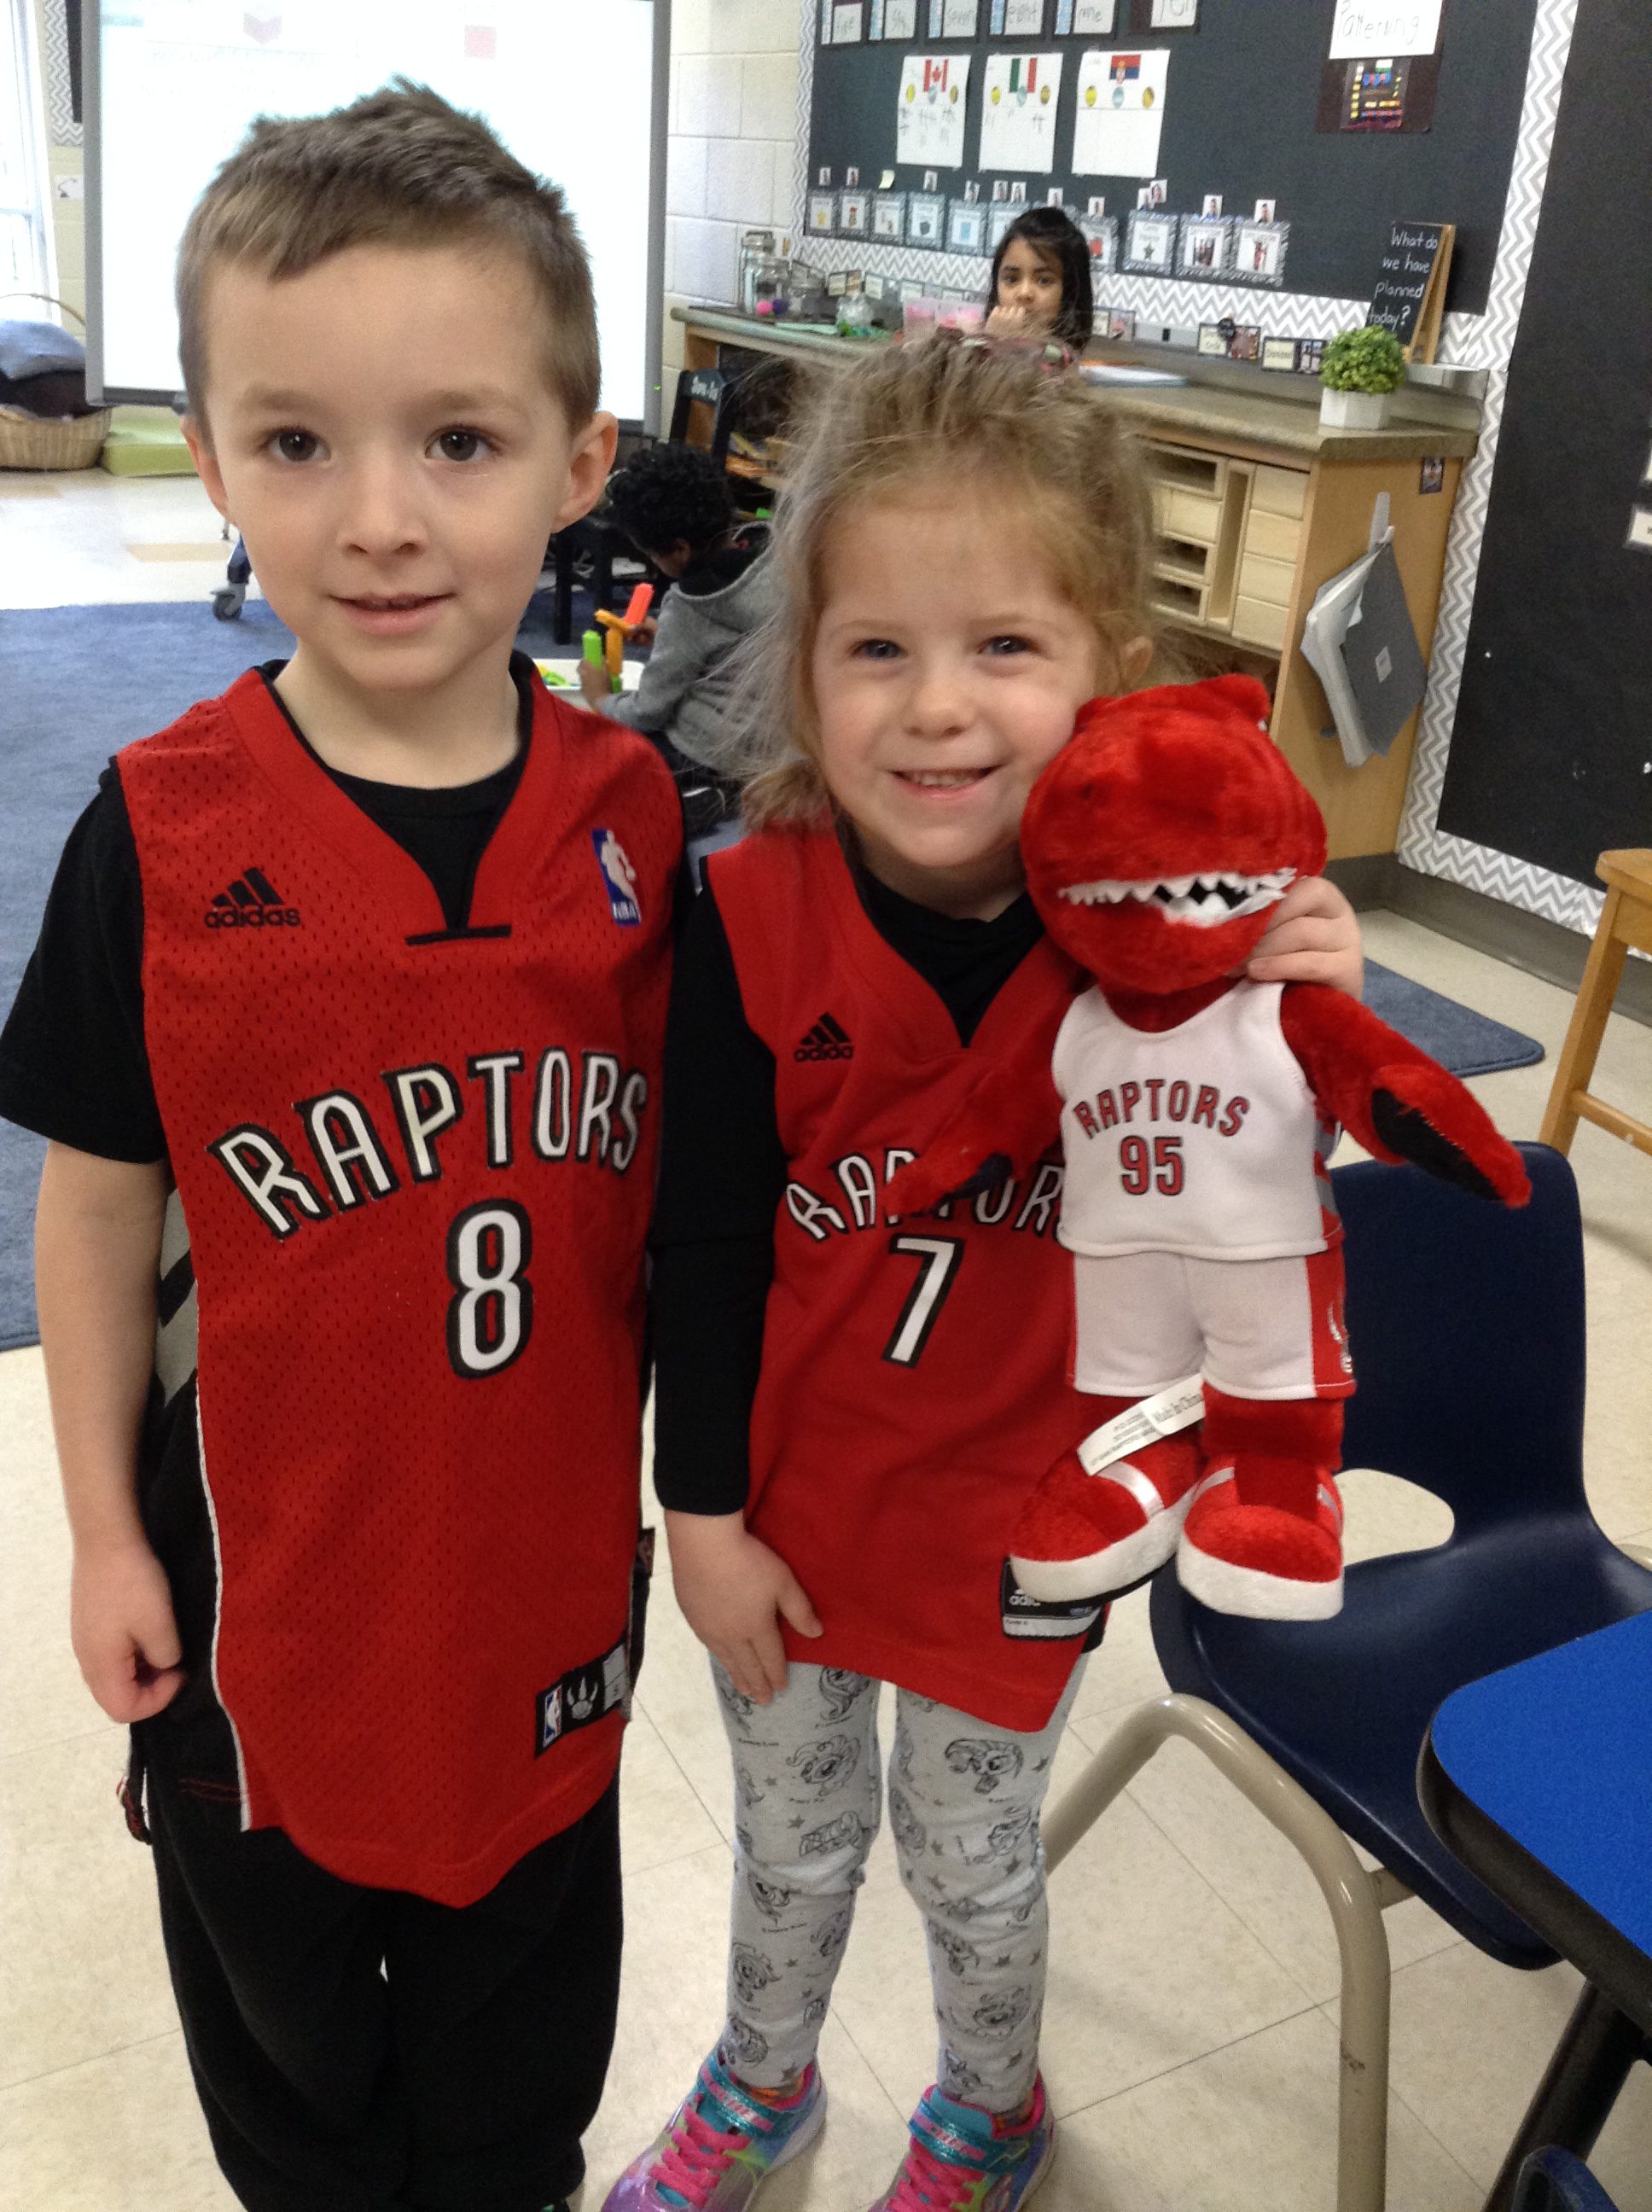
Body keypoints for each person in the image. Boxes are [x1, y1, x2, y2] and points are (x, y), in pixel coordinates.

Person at [0, 84, 681, 2212]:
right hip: (253, 1637)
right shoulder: (159, 833)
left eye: (457, 442)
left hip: (548, 1619)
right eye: (296, 442)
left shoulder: (646, 830)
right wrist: (104, 1535)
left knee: (509, 2117)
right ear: (204, 461)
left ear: (580, 469)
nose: (378, 517)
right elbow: (101, 1209)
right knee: (301, 2124)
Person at [605, 336, 1362, 2211]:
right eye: (876, 648)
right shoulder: (744, 911)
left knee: (969, 1860)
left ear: (1112, 665)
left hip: (1015, 1538)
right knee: (788, 1860)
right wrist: (695, 1514)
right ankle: (763, 2083)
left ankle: (985, 2109)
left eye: (1003, 648)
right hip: (780, 1517)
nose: (934, 709)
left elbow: (1248, 1233)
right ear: (801, 667)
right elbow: (698, 1247)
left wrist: (1306, 1040)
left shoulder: (1180, 955)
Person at [577, 440, 777, 803]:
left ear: (680, 549)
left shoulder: (690, 610)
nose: (655, 564)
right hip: (771, 744)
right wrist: (665, 637)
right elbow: (735, 647)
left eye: (652, 555)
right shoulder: (775, 557)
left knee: (598, 760)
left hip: (709, 753)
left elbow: (648, 712)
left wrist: (601, 698)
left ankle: (698, 800)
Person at [984, 207, 1094, 352]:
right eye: (1011, 279)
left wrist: (999, 346)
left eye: (1044, 281)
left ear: (1070, 290)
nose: (1024, 293)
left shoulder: (1059, 360)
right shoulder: (980, 345)